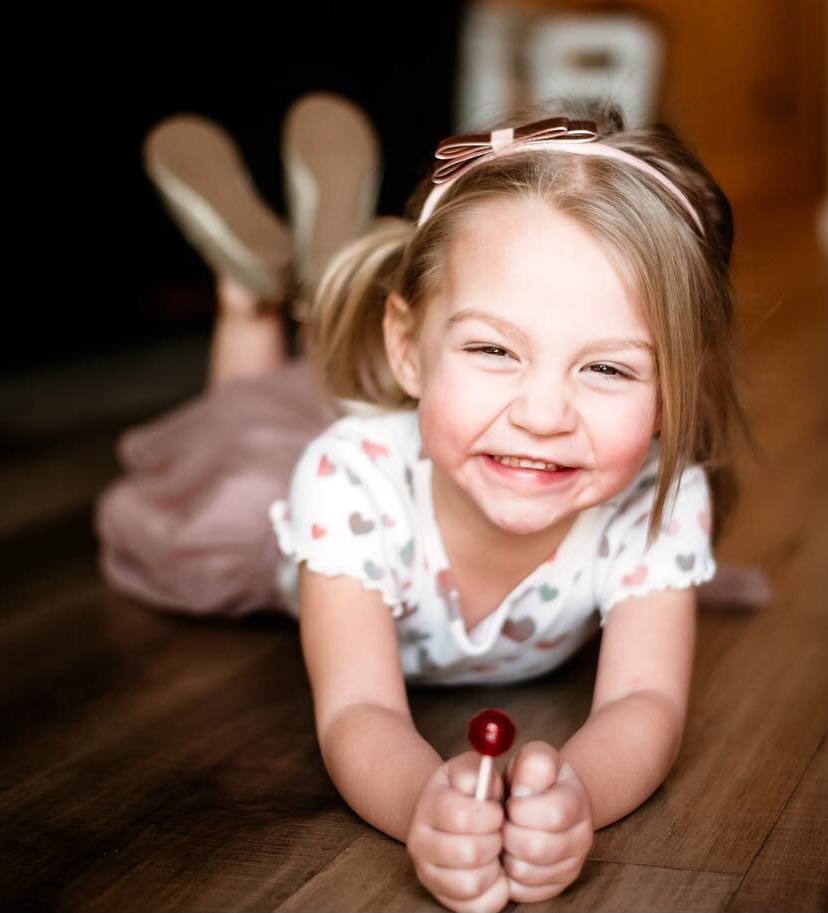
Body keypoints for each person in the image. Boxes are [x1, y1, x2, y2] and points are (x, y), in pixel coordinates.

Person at [96, 94, 771, 912]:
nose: (544, 414)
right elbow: (358, 708)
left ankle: (320, 278)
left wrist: (572, 799)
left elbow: (644, 700)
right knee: (240, 443)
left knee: (309, 403)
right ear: (409, 348)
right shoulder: (348, 480)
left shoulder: (658, 500)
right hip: (314, 516)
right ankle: (253, 298)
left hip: (415, 422)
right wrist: (424, 805)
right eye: (492, 348)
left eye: (608, 369)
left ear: (676, 388)